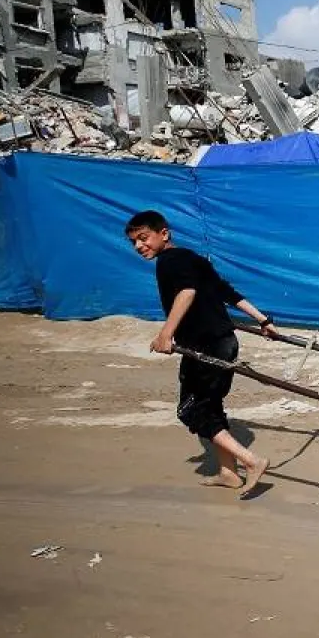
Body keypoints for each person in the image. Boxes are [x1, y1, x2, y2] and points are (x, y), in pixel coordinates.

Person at [125, 210, 277, 497]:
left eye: (143, 238)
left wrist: (165, 334)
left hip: (205, 346)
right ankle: (229, 473)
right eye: (134, 242)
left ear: (164, 234)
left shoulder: (168, 262)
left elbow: (186, 293)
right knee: (211, 406)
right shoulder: (192, 258)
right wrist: (263, 320)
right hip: (224, 341)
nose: (139, 246)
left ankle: (251, 461)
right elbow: (226, 292)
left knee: (191, 410)